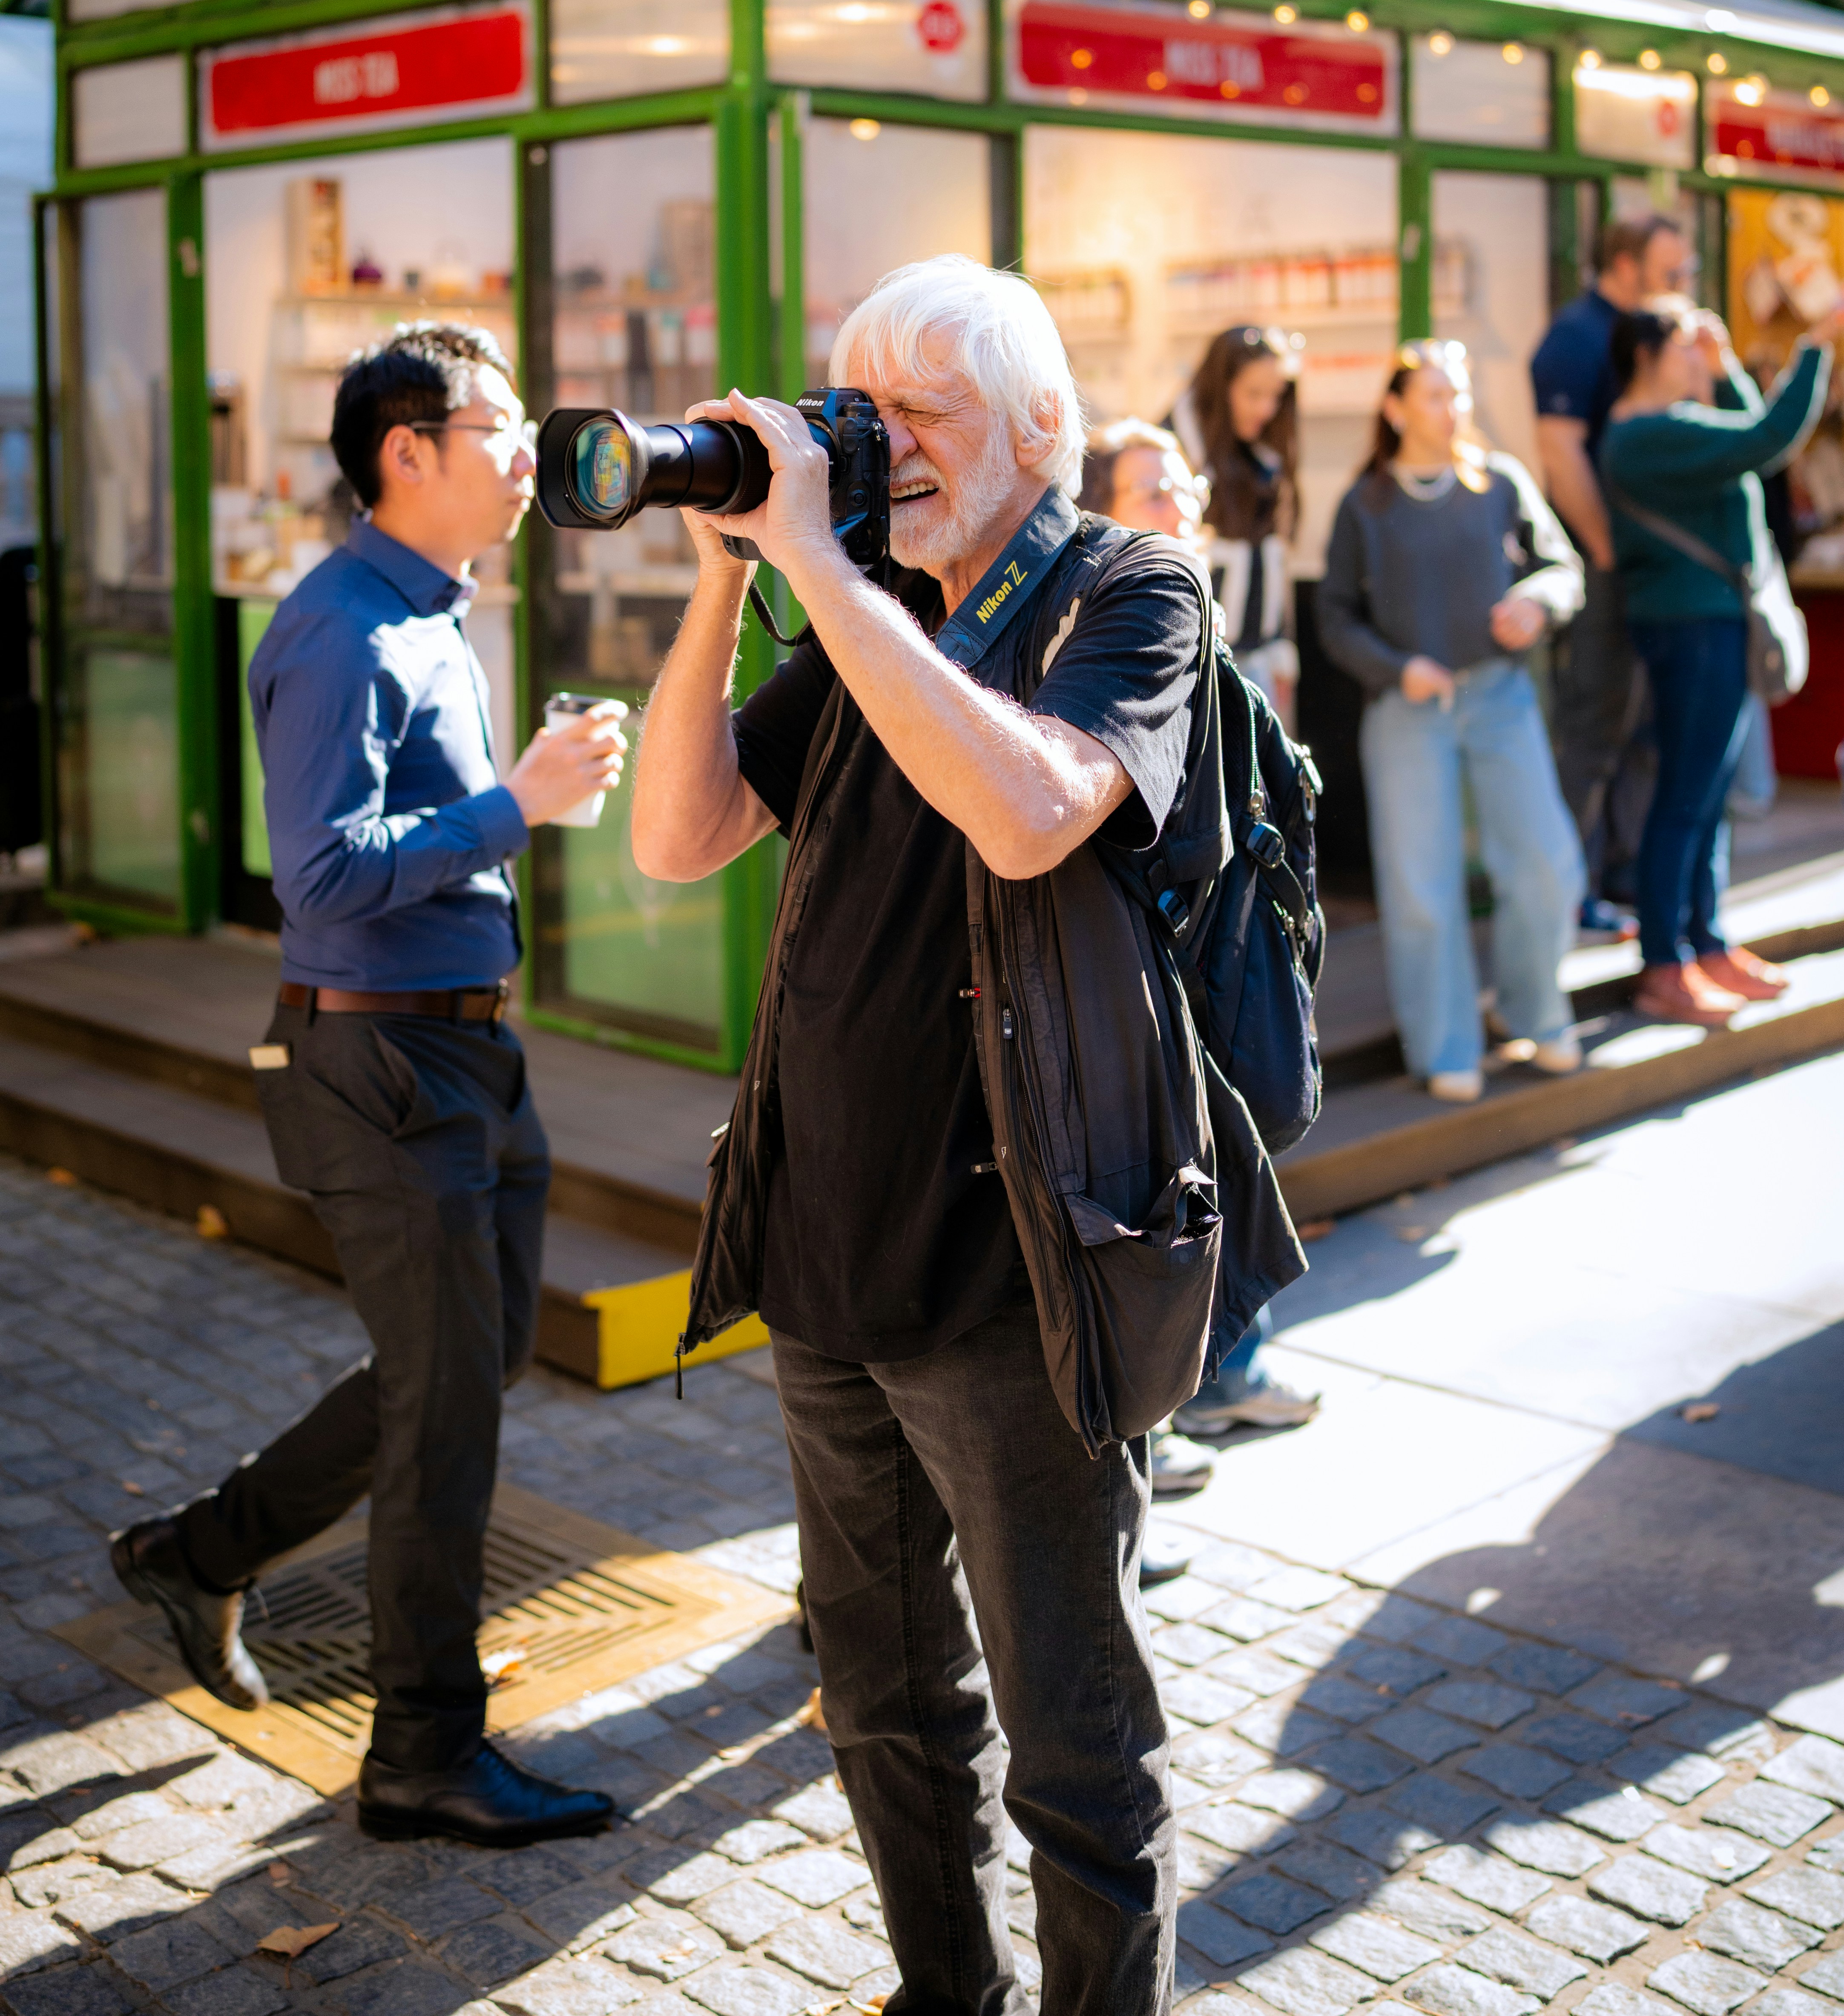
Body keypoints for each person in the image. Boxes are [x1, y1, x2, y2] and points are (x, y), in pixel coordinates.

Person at [632, 256, 1209, 1997]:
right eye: (862, 413)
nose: (882, 448)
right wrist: (727, 581)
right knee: (881, 1698)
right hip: (825, 1256)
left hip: (1014, 1276)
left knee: (1072, 1744)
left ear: (1041, 424)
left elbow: (1031, 812)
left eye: (924, 413)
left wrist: (820, 564)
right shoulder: (865, 598)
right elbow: (679, 835)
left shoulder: (1126, 589)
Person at [110, 325, 628, 1849]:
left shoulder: (429, 612)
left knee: (470, 1359)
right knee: (446, 1404)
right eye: (502, 424)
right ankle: (421, 1750)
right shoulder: (341, 629)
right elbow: (322, 876)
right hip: (382, 1063)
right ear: (407, 450)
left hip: (462, 1054)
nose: (531, 451)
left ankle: (201, 1552)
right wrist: (515, 805)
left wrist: (514, 793)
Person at [1080, 418, 1321, 1451]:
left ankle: (1205, 1386)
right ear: (1099, 517)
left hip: (1214, 950)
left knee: (1220, 1160)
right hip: (1163, 961)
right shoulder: (1121, 635)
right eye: (1151, 490)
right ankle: (1174, 1404)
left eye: (1183, 484)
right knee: (1186, 1173)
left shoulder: (1193, 620)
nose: (1179, 503)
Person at [1318, 341, 1586, 1101]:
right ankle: (1445, 1046)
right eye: (1435, 395)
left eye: (1458, 393)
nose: (1452, 408)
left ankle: (1532, 1010)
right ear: (1396, 408)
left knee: (1545, 864)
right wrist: (1396, 667)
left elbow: (1563, 569)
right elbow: (1335, 617)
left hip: (1500, 696)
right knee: (1421, 887)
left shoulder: (1500, 482)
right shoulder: (1364, 503)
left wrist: (1537, 601)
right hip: (1406, 707)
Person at [1601, 298, 1834, 1025]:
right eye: (1685, 346)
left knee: (1708, 798)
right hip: (1692, 628)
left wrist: (1727, 365)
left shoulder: (1671, 427)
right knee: (1685, 797)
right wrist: (1815, 349)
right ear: (1647, 357)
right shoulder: (1648, 434)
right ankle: (1664, 963)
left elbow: (1751, 442)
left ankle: (1706, 943)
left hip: (1708, 624)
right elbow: (1766, 439)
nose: (1695, 358)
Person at [1531, 214, 1693, 933]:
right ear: (1625, 265)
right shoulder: (1575, 337)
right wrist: (1604, 550)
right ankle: (1572, 887)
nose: (1681, 284)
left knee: (1646, 726)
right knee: (1594, 725)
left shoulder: (1655, 332)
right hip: (1603, 569)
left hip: (1653, 572)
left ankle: (1627, 873)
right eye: (1669, 272)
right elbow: (1560, 453)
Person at [1172, 322, 1300, 724]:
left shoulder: (1264, 456)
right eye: (1254, 394)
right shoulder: (1173, 456)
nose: (1266, 409)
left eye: (1275, 395)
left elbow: (1276, 564)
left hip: (1259, 667)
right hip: (1192, 670)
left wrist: (1281, 649)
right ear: (1220, 387)